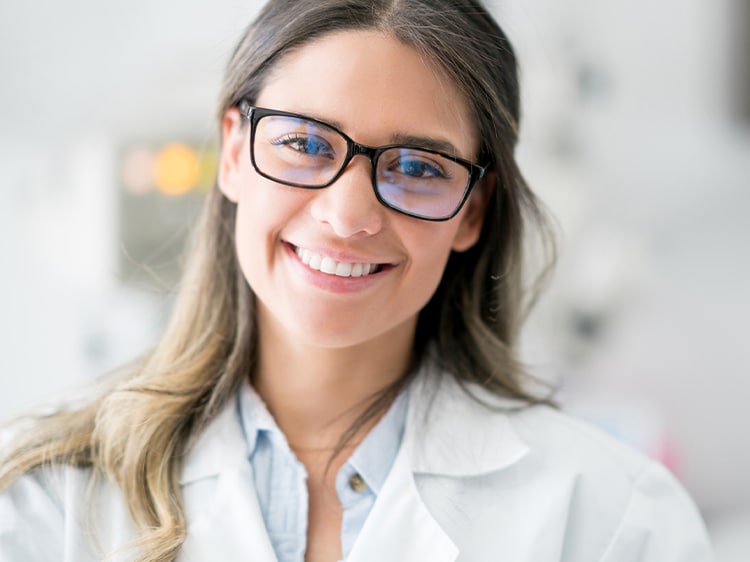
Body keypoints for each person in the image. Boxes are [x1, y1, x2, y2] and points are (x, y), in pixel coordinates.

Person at [0, 0, 715, 561]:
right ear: (233, 153)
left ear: (475, 211)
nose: (347, 216)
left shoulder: (610, 519)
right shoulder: (48, 505)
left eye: (418, 167)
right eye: (305, 145)